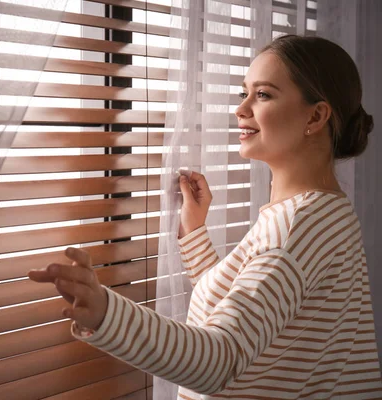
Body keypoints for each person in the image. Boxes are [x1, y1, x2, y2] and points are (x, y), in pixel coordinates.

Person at [28, 34, 382, 399]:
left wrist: (107, 314)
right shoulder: (327, 212)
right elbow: (247, 311)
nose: (240, 108)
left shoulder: (295, 228)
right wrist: (194, 231)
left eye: (263, 94)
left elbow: (220, 359)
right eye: (243, 93)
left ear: (316, 115)